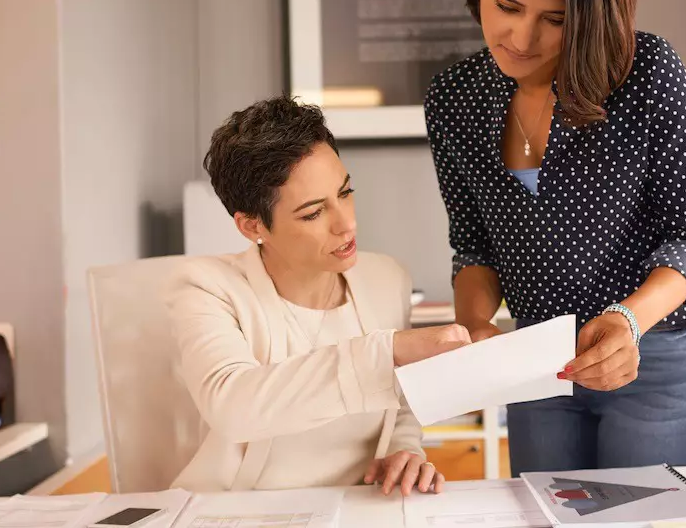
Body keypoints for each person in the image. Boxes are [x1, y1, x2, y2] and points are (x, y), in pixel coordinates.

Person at [425, 0, 686, 474]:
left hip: (656, 356)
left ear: (591, 12)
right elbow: (473, 245)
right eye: (507, 6)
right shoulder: (456, 98)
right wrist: (474, 326)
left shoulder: (647, 73)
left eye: (555, 19)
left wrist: (628, 320)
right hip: (538, 360)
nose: (521, 38)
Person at [168, 96, 469, 493]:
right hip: (237, 511)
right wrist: (387, 351)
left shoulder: (385, 277)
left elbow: (399, 405)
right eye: (313, 213)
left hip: (356, 510)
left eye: (345, 193)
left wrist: (403, 450)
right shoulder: (206, 287)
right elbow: (233, 407)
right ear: (251, 225)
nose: (347, 224)